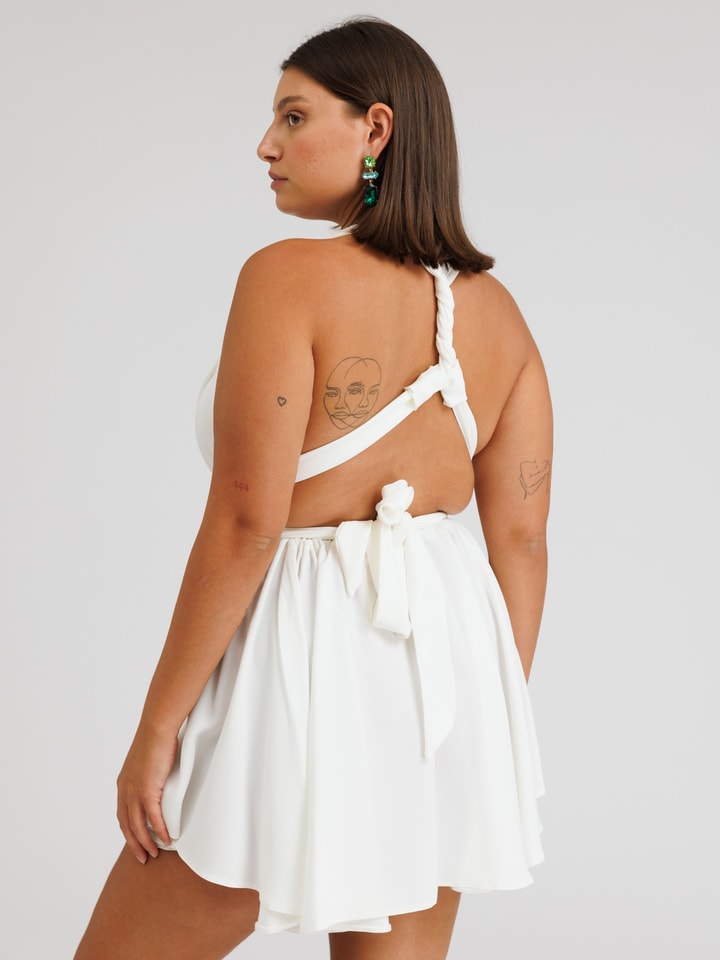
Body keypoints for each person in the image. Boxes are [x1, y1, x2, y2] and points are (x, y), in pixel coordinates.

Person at [74, 16, 552, 960]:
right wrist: (492, 716)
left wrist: (157, 728)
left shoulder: (285, 276)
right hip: (450, 669)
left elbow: (247, 524)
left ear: (376, 129)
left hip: (300, 650)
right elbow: (523, 542)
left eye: (293, 117)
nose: (267, 144)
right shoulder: (500, 312)